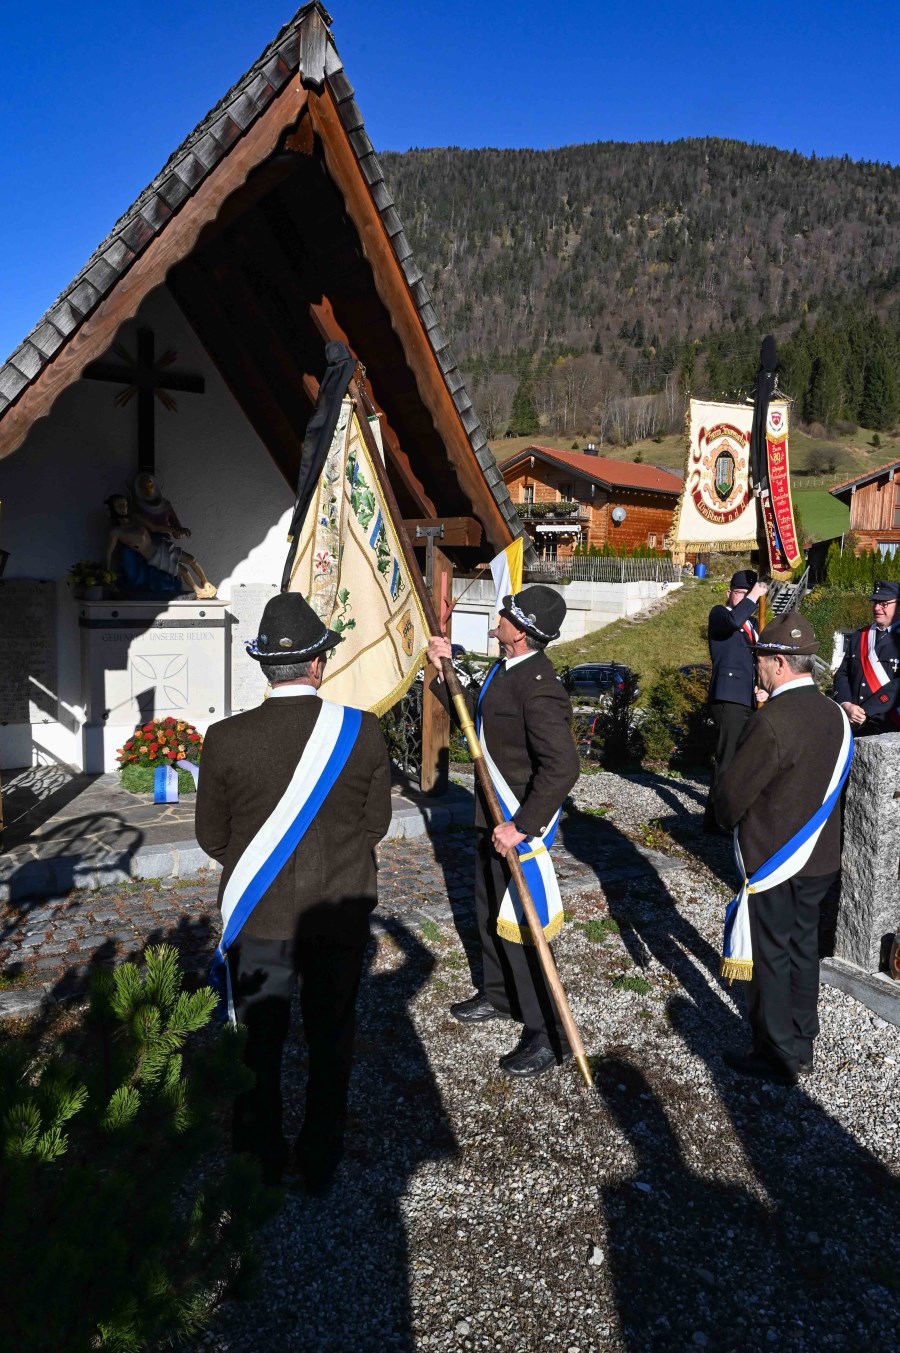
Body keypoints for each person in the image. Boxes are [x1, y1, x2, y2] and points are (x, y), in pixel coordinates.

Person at [195, 592, 392, 1189]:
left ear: (264, 666)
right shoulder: (363, 731)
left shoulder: (224, 738)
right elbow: (376, 825)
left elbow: (211, 837)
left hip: (262, 916)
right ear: (317, 665)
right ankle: (320, 1158)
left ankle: (260, 1155)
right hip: (339, 912)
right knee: (332, 1039)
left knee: (260, 1043)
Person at [426, 584, 580, 1079]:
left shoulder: (539, 685)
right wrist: (441, 669)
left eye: (507, 615)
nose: (499, 618)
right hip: (489, 817)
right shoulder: (505, 669)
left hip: (515, 821)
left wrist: (521, 825)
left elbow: (563, 768)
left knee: (524, 929)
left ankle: (544, 1033)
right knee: (490, 911)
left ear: (523, 632)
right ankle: (498, 995)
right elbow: (474, 718)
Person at [713, 612, 851, 1085]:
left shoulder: (772, 720)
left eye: (760, 661)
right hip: (821, 858)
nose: (757, 669)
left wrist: (718, 819)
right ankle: (802, 1039)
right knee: (801, 950)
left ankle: (776, 1054)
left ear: (778, 663)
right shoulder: (835, 712)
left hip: (776, 859)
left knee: (771, 956)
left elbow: (731, 795)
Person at [704, 568, 769, 832]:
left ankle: (727, 813)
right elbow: (731, 622)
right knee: (728, 759)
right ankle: (718, 820)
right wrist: (755, 596)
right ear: (729, 593)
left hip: (748, 699)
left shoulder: (753, 625)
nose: (744, 598)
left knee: (743, 760)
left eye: (748, 593)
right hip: (727, 697)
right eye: (740, 593)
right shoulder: (719, 614)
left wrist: (764, 688)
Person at [832, 579, 900, 734]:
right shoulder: (860, 635)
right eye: (875, 602)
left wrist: (867, 710)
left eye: (884, 603)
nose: (877, 608)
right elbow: (843, 673)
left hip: (888, 724)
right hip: (852, 721)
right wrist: (845, 703)